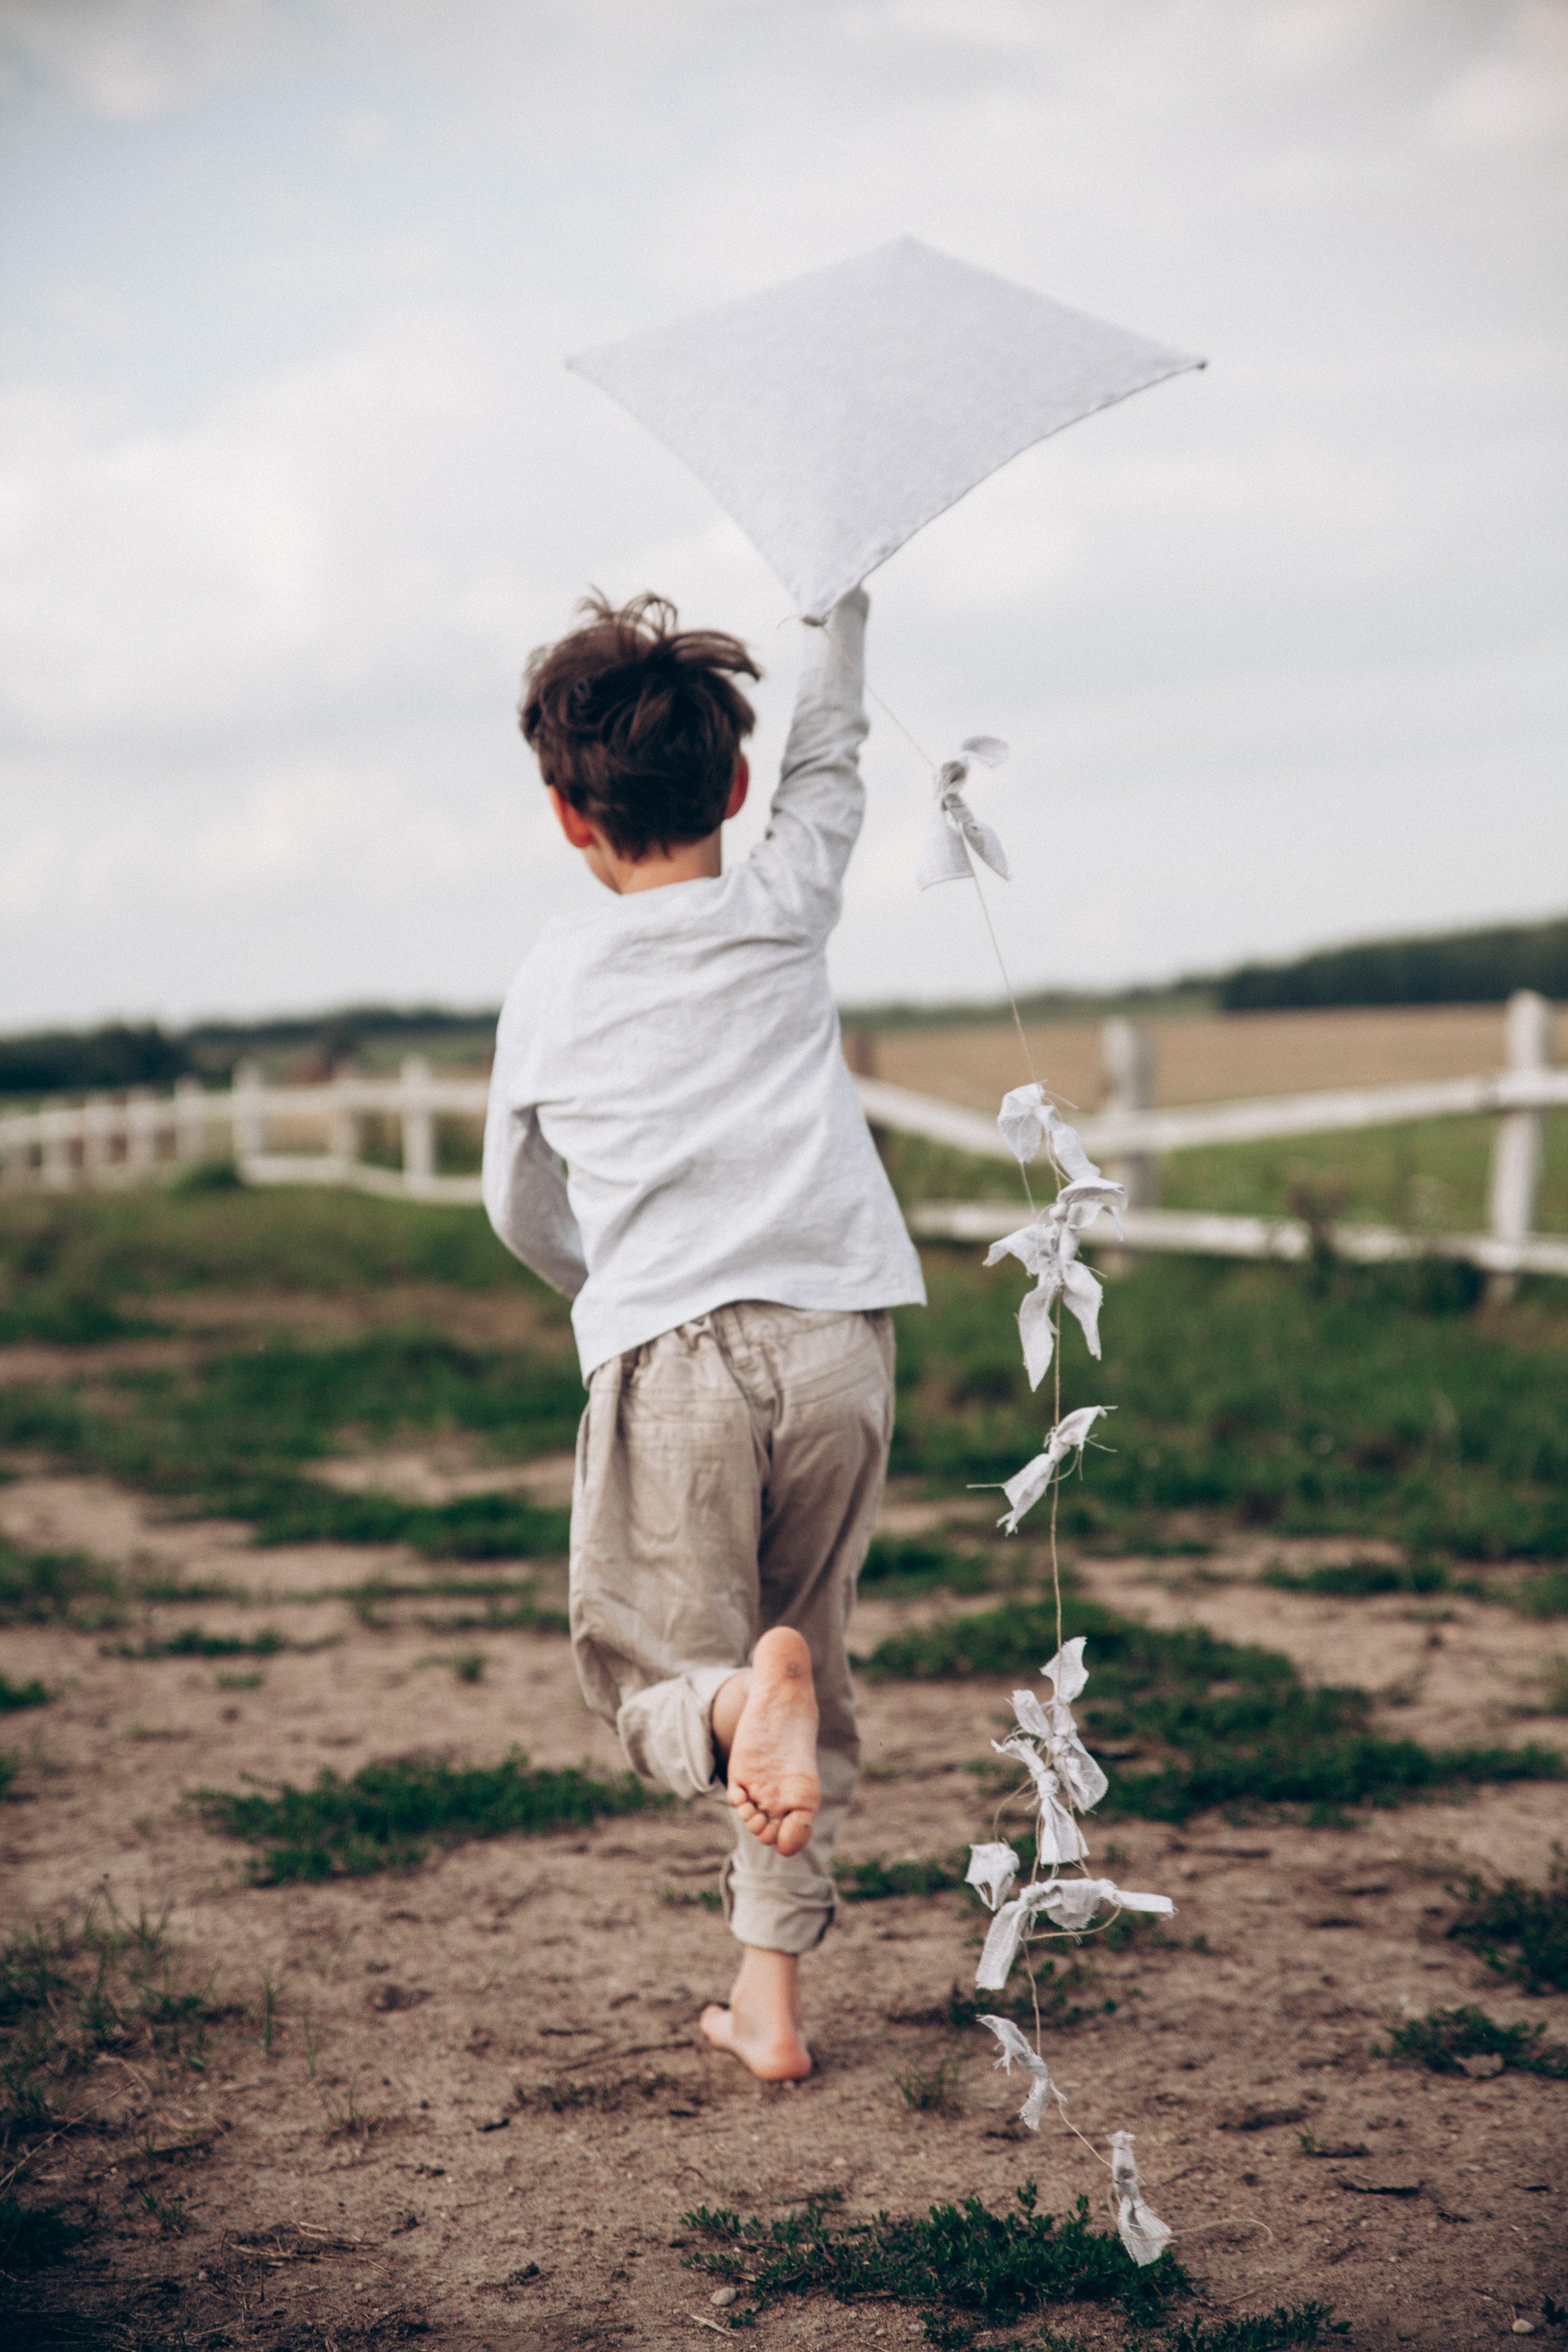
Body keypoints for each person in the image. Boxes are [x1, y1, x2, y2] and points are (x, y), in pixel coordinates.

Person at [483, 584, 923, 2080]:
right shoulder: (779, 901)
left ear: (568, 816)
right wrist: (835, 603)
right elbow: (833, 753)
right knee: (813, 1647)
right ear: (734, 785)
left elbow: (517, 1204)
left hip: (667, 1361)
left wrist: (605, 1290)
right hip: (835, 1342)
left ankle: (738, 1702)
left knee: (651, 1678)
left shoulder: (552, 980)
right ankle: (768, 2006)